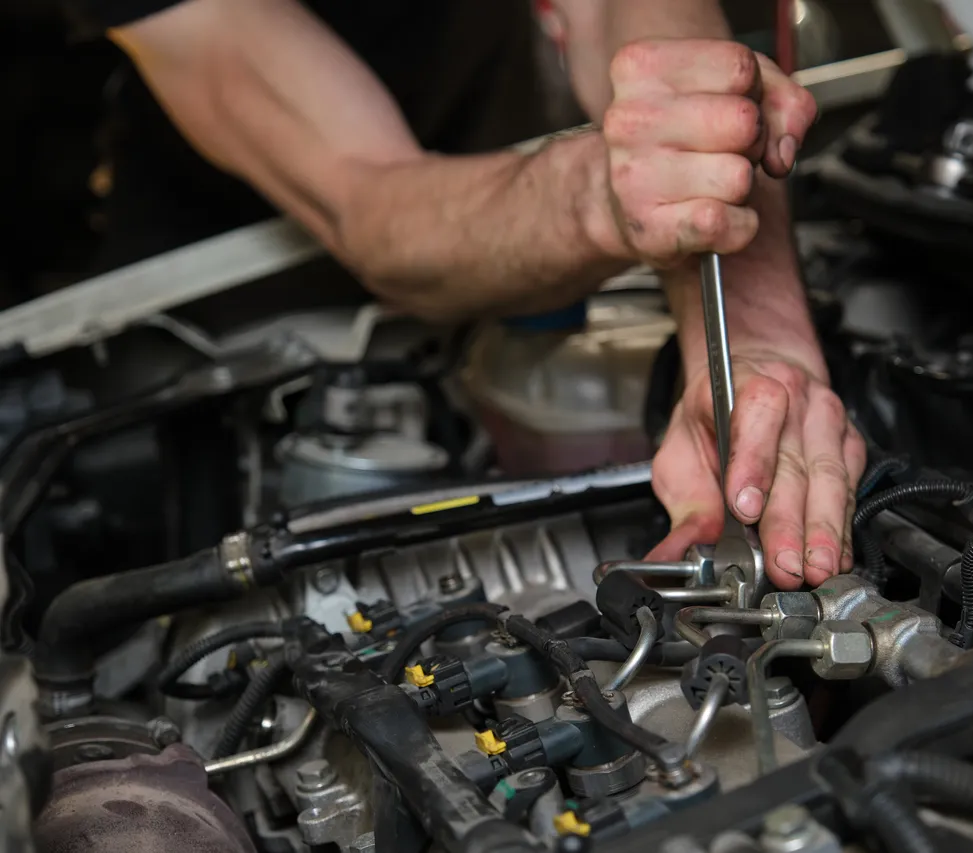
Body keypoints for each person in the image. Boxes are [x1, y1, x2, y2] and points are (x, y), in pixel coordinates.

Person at [64, 0, 866, 589]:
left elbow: (647, 35)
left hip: (515, 206)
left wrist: (758, 347)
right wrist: (608, 195)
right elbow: (367, 196)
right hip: (242, 289)